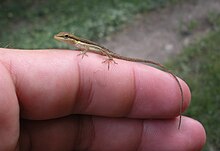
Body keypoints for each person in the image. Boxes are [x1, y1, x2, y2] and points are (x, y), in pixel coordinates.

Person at [0, 48, 206, 151]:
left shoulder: (81, 44)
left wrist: (108, 57)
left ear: (69, 38)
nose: (61, 40)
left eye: (63, 38)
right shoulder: (77, 44)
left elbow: (89, 48)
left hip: (105, 52)